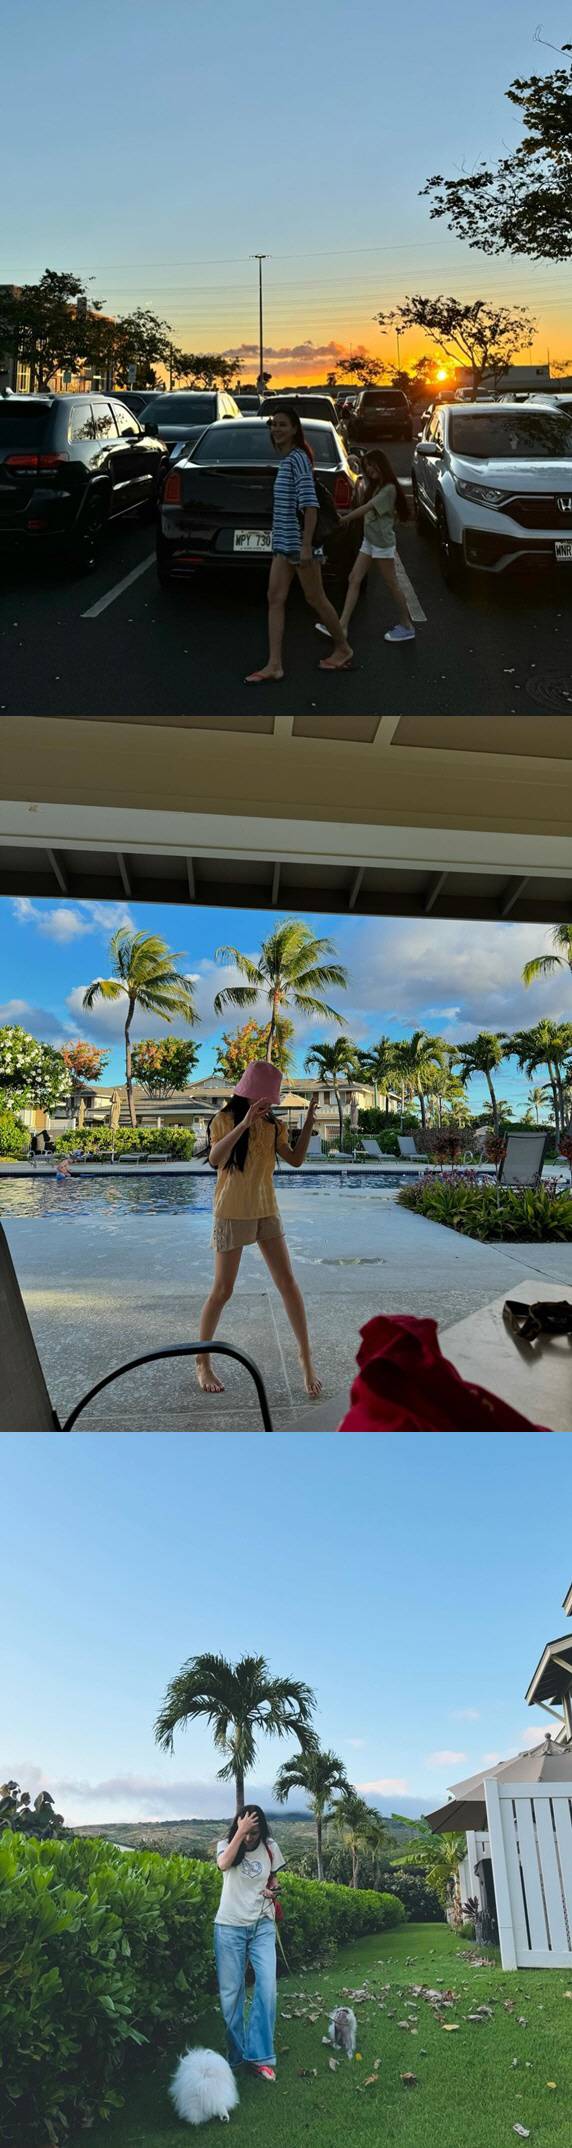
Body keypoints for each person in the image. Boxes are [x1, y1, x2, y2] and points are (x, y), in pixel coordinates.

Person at [196, 1058, 322, 1399]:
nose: (268, 1103)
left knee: (288, 1283)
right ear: (248, 1093)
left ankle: (305, 1357)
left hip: (267, 1211)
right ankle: (202, 1361)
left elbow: (296, 1160)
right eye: (263, 1097)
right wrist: (244, 1124)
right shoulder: (224, 1119)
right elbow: (215, 1159)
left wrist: (309, 1123)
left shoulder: (273, 1125)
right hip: (232, 1212)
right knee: (223, 1290)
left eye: (271, 1099)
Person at [246, 406, 352, 681]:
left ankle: (343, 648)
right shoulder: (287, 461)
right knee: (275, 599)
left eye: (283, 425)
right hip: (283, 545)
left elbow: (310, 506)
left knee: (315, 598)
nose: (276, 429)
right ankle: (274, 665)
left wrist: (306, 546)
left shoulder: (298, 460)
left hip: (299, 545)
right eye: (273, 424)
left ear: (294, 429)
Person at [214, 1805, 286, 2082]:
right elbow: (223, 1864)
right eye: (244, 1831)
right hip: (229, 1927)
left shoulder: (270, 1848)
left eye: (254, 1833)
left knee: (267, 1987)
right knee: (231, 1995)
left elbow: (274, 1879)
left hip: (261, 1925)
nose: (249, 1838)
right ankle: (236, 2056)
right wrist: (240, 1832)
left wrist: (273, 1890)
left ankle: (259, 2057)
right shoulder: (226, 1845)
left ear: (262, 1831)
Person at [317, 448, 415, 645]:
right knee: (354, 578)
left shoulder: (388, 490)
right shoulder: (377, 485)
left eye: (372, 466)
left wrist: (343, 519)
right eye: (368, 467)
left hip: (382, 544)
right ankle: (342, 626)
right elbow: (361, 473)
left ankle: (407, 626)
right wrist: (355, 459)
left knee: (392, 584)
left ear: (382, 465)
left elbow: (366, 508)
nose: (369, 470)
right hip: (370, 541)